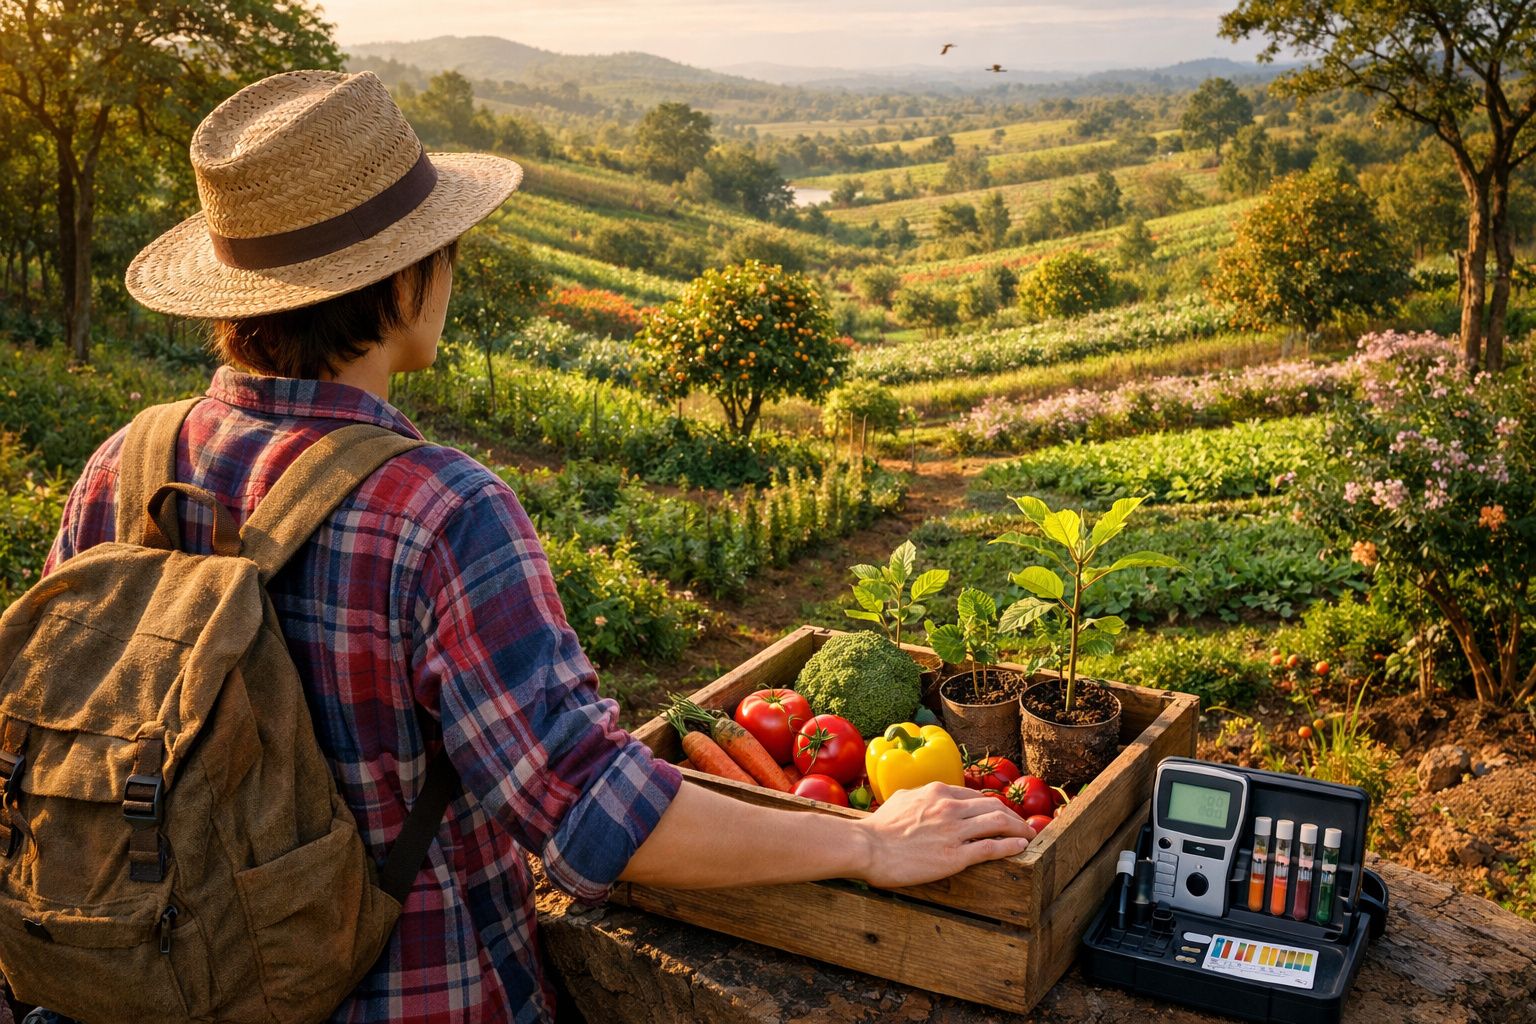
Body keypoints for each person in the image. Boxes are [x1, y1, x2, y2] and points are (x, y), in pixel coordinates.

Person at [43, 70, 1032, 1024]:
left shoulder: (123, 467)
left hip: (159, 976)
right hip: (411, 991)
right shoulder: (439, 512)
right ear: (403, 278)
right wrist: (866, 842)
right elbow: (594, 811)